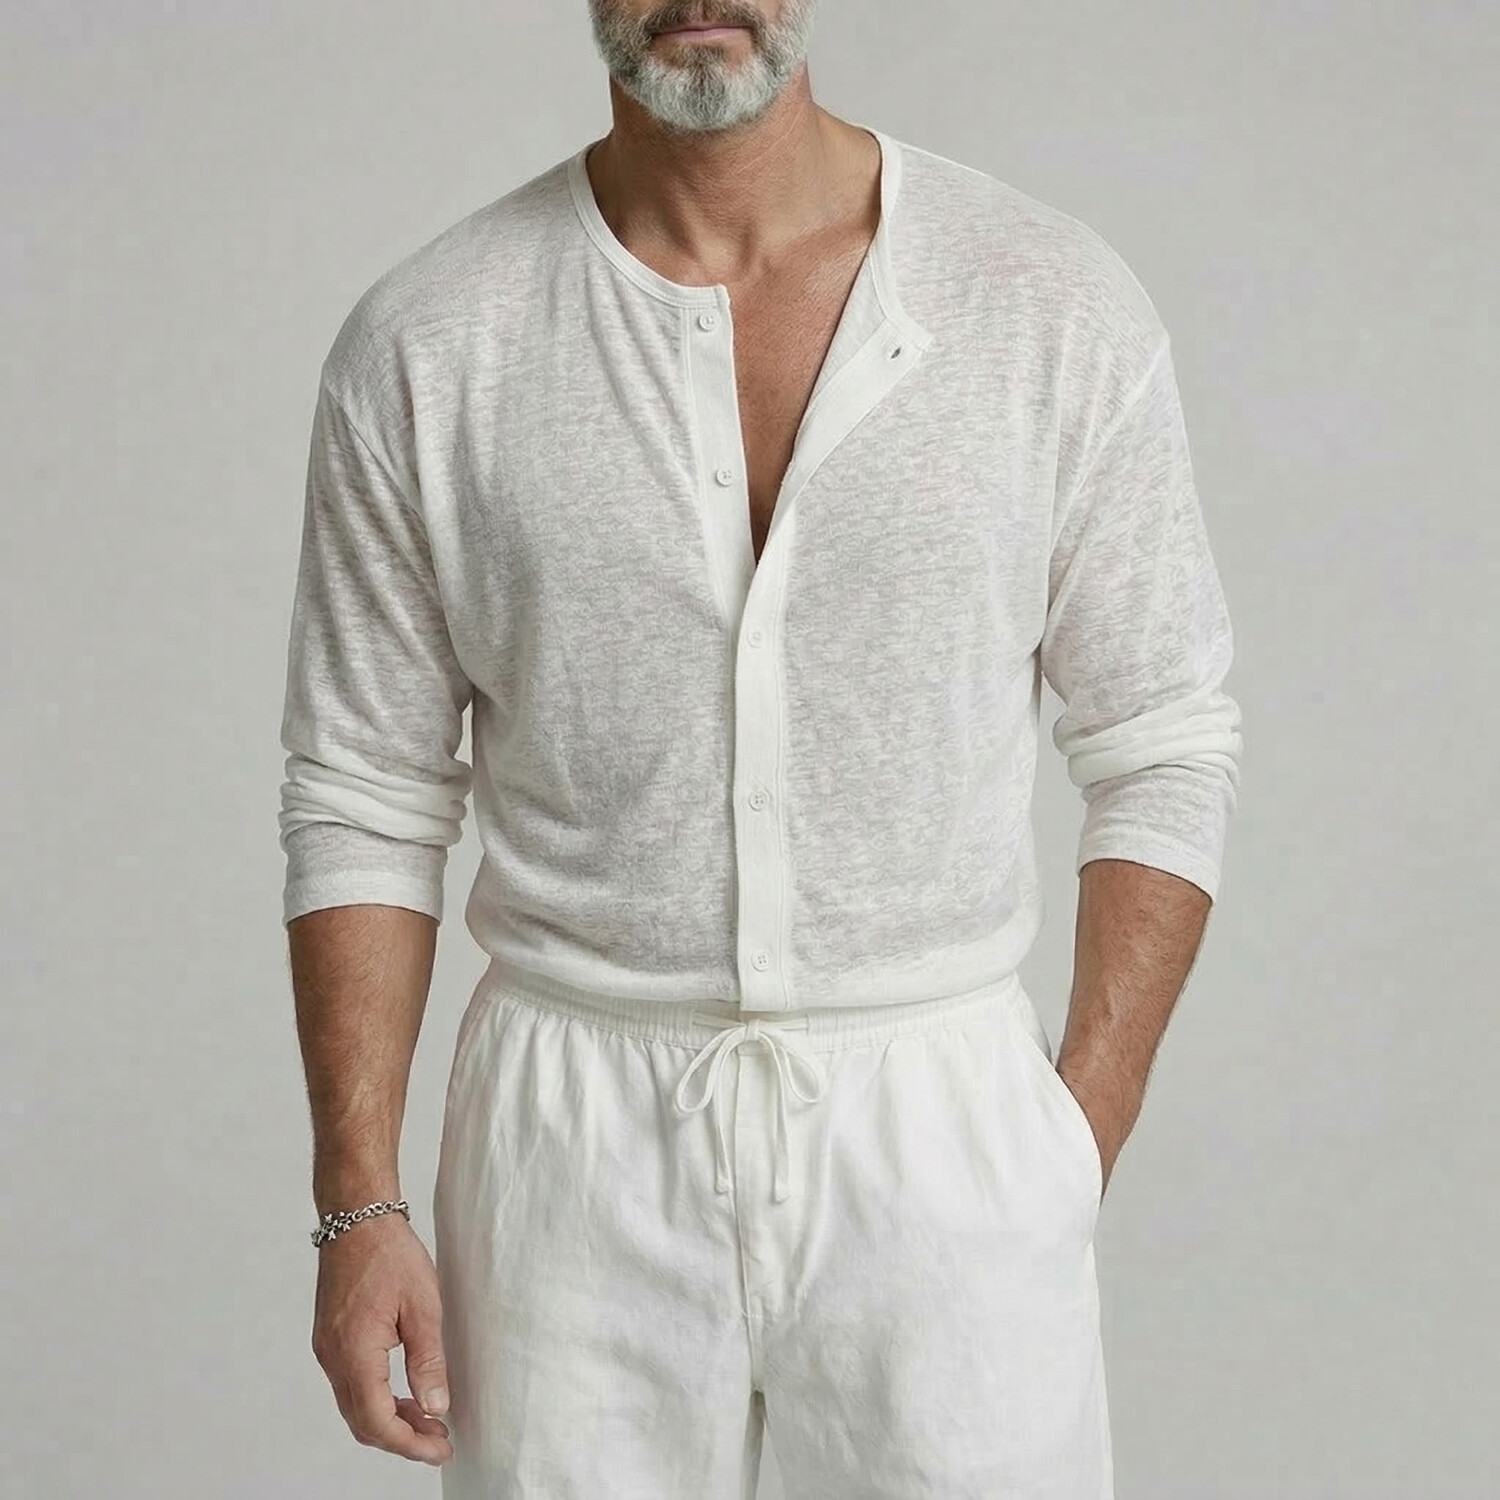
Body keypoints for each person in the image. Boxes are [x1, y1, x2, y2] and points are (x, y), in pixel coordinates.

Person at [278, 2, 1243, 1495]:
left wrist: (1074, 1137)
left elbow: (1163, 735)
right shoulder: (433, 341)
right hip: (571, 1145)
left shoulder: (1046, 302)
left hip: (940, 1120)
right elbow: (365, 794)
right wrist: (359, 1205)